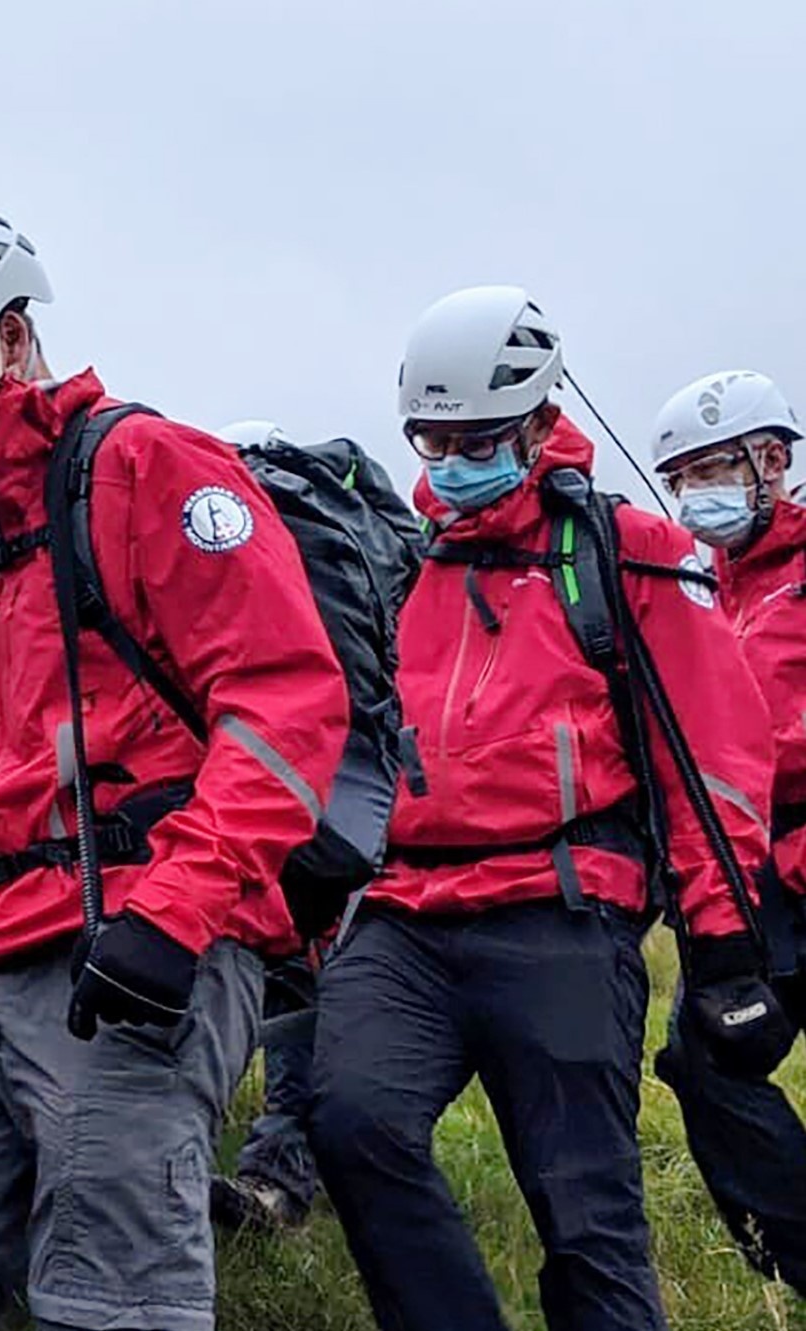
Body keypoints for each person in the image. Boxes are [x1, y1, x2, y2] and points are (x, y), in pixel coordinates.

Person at [0, 195, 349, 1331]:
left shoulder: (147, 471)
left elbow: (285, 704)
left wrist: (176, 911)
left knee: (111, 1296)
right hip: (12, 943)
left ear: (8, 337)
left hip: (137, 947)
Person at [308, 289, 784, 1331]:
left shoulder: (627, 553)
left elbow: (713, 758)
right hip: (405, 917)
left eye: (473, 438)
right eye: (430, 438)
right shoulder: (402, 570)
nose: (448, 457)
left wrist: (723, 946)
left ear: (533, 419)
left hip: (562, 911)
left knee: (585, 1214)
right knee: (348, 1119)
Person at [650, 368, 806, 1293]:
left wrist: (735, 752)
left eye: (707, 469)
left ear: (772, 459)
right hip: (752, 875)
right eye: (679, 479)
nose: (690, 496)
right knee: (704, 1058)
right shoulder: (697, 583)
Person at [203, 419, 319, 1234]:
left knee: (293, 1019)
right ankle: (250, 1175)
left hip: (272, 839)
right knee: (285, 1008)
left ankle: (275, 1184)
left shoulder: (253, 579)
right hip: (262, 842)